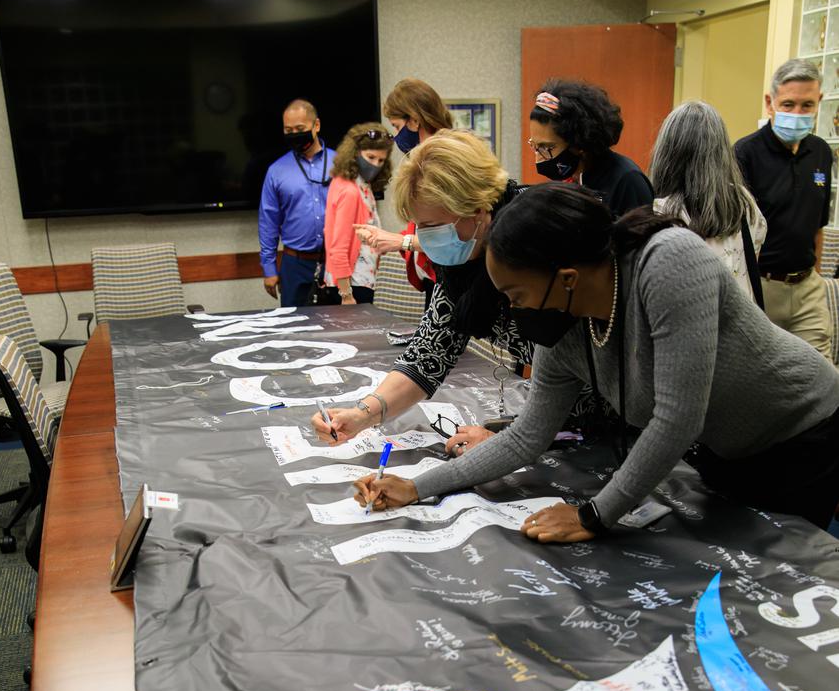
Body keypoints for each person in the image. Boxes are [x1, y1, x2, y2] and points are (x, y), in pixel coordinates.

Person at [354, 183, 839, 535]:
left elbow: (677, 417)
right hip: (725, 450)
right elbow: (526, 436)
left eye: (517, 295)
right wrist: (419, 486)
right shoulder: (565, 323)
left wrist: (592, 515)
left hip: (802, 435)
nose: (515, 311)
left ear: (566, 277)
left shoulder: (668, 262)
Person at [312, 130, 545, 453]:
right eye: (418, 226)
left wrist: (512, 439)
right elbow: (428, 354)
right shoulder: (460, 263)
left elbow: (574, 371)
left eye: (434, 226)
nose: (424, 238)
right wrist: (363, 414)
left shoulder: (537, 242)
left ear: (478, 209)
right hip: (549, 420)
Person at [734, 59, 833, 357]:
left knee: (823, 374)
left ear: (819, 102)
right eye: (788, 104)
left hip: (807, 289)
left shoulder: (821, 152)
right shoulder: (745, 153)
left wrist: (815, 277)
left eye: (807, 105)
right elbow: (735, 232)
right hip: (761, 287)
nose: (797, 113)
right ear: (770, 102)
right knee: (762, 375)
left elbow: (818, 225)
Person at [650, 101, 767, 302]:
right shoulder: (743, 201)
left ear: (666, 152)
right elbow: (752, 260)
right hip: (739, 316)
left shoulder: (659, 212)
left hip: (691, 317)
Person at [354, 79, 455, 308]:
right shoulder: (429, 159)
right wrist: (393, 239)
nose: (395, 136)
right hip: (437, 281)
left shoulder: (443, 163)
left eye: (397, 126)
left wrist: (401, 241)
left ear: (415, 120)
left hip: (451, 283)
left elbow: (456, 238)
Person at [528, 79, 654, 215]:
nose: (538, 158)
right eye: (534, 146)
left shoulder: (627, 181)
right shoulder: (569, 178)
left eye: (547, 148)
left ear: (578, 142)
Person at [257, 99, 336, 306]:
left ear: (316, 125)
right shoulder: (276, 171)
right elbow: (268, 223)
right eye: (288, 130)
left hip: (336, 260)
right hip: (295, 264)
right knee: (294, 323)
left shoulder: (341, 164)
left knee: (339, 322)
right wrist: (269, 269)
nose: (294, 135)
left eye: (300, 129)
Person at [322, 124, 393, 305]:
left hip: (358, 280)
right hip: (352, 284)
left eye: (381, 160)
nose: (375, 165)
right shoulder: (350, 191)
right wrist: (346, 294)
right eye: (370, 157)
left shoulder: (352, 183)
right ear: (355, 153)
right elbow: (338, 247)